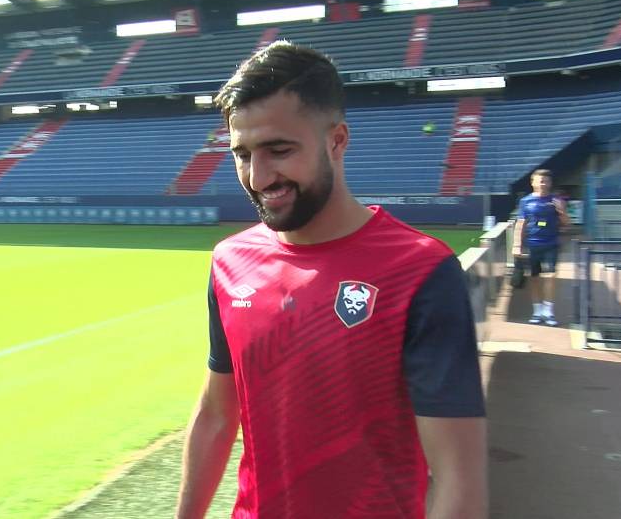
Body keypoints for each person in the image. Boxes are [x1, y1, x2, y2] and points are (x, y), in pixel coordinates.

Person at [175, 41, 487, 519]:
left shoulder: (421, 271)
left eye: (278, 150)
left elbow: (457, 476)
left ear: (336, 140)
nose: (258, 177)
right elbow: (218, 416)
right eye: (242, 154)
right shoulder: (228, 261)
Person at [512, 169, 570, 326]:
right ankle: (537, 311)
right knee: (535, 278)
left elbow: (566, 223)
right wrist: (517, 245)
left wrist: (561, 211)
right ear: (533, 182)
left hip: (551, 244)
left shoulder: (556, 201)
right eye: (540, 180)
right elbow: (520, 224)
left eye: (546, 180)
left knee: (550, 276)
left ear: (550, 183)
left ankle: (549, 312)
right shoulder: (525, 201)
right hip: (532, 244)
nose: (543, 183)